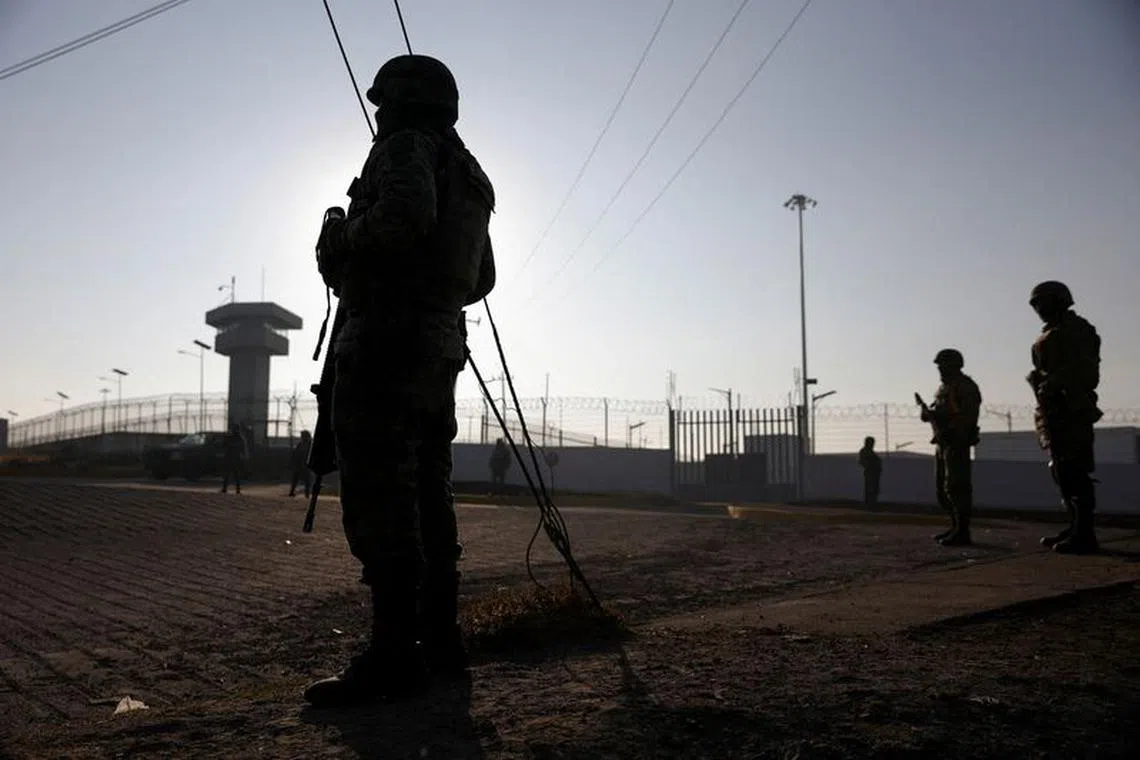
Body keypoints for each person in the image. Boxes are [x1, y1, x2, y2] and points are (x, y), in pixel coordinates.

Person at [304, 53, 497, 708]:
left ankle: (394, 655)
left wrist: (340, 233)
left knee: (383, 492)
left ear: (401, 102)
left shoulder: (408, 147)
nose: (379, 115)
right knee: (426, 491)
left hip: (387, 339)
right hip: (438, 344)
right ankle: (440, 642)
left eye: (383, 103)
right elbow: (483, 278)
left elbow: (401, 222)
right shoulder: (468, 170)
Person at [1027, 281, 1102, 554]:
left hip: (1072, 407)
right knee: (1060, 470)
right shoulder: (1049, 334)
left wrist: (1056, 380)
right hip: (1052, 409)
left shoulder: (1077, 330)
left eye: (1043, 303)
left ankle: (1085, 533)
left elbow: (1087, 371)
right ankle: (1075, 526)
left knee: (1075, 470)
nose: (1039, 309)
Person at [916, 349, 982, 546]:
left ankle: (963, 531)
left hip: (956, 442)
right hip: (943, 442)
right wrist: (928, 414)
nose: (940, 370)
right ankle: (955, 527)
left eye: (943, 366)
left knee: (957, 487)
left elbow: (968, 416)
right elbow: (938, 411)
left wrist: (956, 432)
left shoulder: (966, 387)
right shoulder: (943, 388)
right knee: (943, 489)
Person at [220, 422, 247, 494]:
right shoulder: (240, 438)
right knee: (236, 475)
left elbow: (223, 446)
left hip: (230, 458)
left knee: (228, 474)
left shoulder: (230, 438)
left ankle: (225, 489)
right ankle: (237, 490)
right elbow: (243, 449)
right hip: (236, 458)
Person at [857, 436, 882, 506]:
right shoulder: (865, 451)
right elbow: (862, 462)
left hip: (874, 473)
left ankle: (872, 502)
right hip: (870, 473)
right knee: (870, 489)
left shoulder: (870, 452)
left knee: (874, 489)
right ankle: (869, 503)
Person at [288, 430, 312, 498]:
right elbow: (295, 454)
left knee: (306, 480)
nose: (301, 437)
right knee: (296, 478)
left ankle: (306, 494)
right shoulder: (301, 444)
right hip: (300, 464)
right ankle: (292, 492)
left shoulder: (308, 444)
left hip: (305, 464)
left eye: (303, 436)